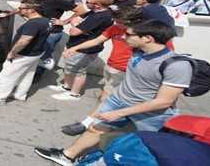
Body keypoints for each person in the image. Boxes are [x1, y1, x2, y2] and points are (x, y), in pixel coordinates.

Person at [35, 20, 192, 166]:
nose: (124, 37)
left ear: (148, 38)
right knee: (95, 128)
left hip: (152, 114)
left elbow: (164, 102)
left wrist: (120, 113)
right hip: (119, 101)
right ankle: (67, 156)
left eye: (129, 35)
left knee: (147, 148)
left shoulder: (177, 65)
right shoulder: (138, 51)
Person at [58, 7, 145, 136]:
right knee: (106, 97)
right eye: (117, 21)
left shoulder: (145, 33)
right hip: (111, 67)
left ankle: (88, 123)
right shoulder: (115, 29)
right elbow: (97, 40)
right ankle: (101, 122)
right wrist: (75, 48)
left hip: (126, 71)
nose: (118, 24)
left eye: (121, 22)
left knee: (107, 99)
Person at [0, 0, 49, 106]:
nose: (19, 10)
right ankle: (20, 95)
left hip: (23, 54)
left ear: (31, 10)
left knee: (6, 75)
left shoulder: (33, 24)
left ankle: (0, 99)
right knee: (27, 74)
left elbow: (24, 40)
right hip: (35, 53)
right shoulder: (45, 20)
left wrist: (13, 52)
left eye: (21, 8)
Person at [50, 0, 114, 101]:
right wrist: (64, 22)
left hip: (84, 48)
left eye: (88, 2)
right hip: (78, 45)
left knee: (78, 70)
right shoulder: (97, 12)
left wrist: (74, 24)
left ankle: (74, 94)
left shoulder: (99, 17)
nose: (86, 4)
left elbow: (74, 32)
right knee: (70, 67)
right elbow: (81, 15)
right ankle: (67, 87)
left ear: (98, 5)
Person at [28, 0, 87, 73]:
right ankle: (32, 72)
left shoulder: (56, 0)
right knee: (33, 52)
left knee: (44, 55)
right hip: (36, 31)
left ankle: (38, 74)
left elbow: (81, 10)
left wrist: (64, 21)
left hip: (52, 33)